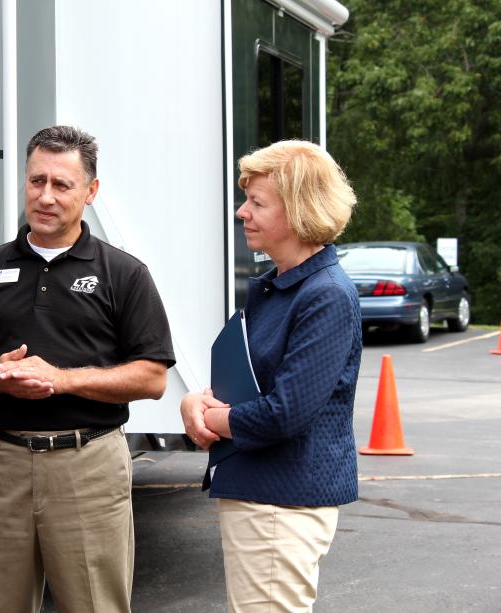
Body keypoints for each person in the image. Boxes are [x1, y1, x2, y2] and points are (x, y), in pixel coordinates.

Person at [0, 125, 175, 613]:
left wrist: (61, 379)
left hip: (88, 466)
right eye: (36, 180)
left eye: (62, 185)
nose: (45, 196)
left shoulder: (123, 274)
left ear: (90, 191)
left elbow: (152, 378)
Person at [181, 140, 360, 612]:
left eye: (258, 203)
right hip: (265, 498)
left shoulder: (325, 296)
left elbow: (285, 413)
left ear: (300, 211)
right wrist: (196, 403)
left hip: (281, 504)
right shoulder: (284, 286)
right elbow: (252, 381)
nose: (242, 212)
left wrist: (213, 420)